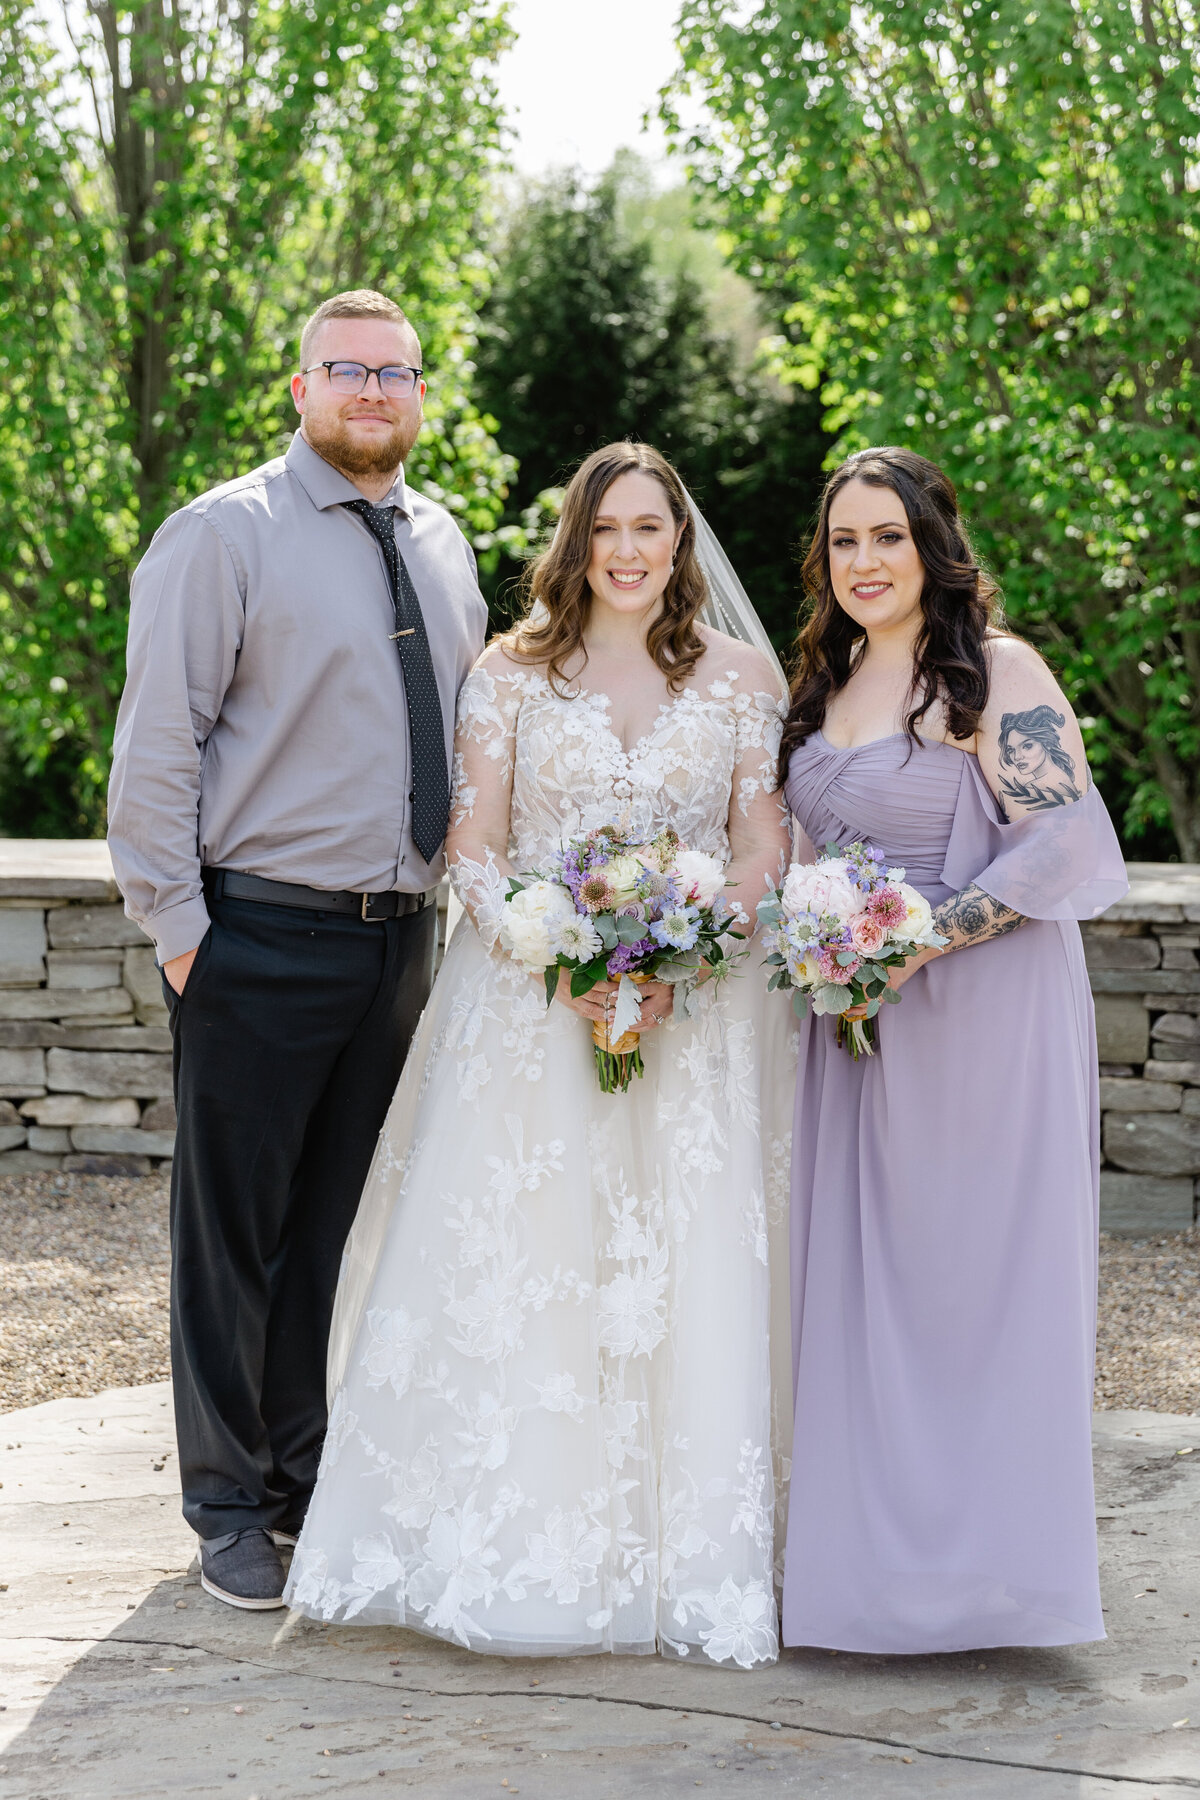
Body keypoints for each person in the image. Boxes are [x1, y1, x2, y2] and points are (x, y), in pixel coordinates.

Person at [284, 442, 797, 1665]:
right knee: (534, 1263)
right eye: (607, 527)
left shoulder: (738, 679)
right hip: (528, 1016)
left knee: (678, 1274)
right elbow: (472, 844)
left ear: (681, 544)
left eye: (652, 529)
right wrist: (560, 958)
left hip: (689, 1022)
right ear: (575, 541)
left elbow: (759, 846)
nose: (629, 550)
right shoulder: (508, 674)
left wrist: (686, 954)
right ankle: (497, 1548)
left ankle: (684, 1561)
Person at [107, 289, 488, 1610]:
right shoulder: (226, 536)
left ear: (422, 392)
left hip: (401, 946)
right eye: (348, 369)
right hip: (257, 935)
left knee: (334, 1234)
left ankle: (305, 1484)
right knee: (234, 1240)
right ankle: (224, 1505)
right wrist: (184, 937)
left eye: (397, 371)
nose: (374, 391)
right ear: (300, 387)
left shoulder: (441, 542)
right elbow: (157, 742)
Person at [779, 446, 1127, 1654]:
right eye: (844, 542)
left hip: (980, 1020)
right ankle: (861, 1582)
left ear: (934, 543)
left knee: (969, 1293)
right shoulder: (823, 678)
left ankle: (991, 1585)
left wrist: (920, 941)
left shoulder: (994, 673)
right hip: (855, 1026)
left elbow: (1067, 849)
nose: (866, 562)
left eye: (889, 537)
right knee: (862, 1299)